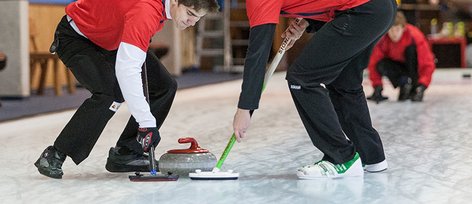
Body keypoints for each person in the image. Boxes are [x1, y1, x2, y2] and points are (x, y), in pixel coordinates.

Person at [34, 0, 219, 179]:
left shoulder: (157, 9)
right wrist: (146, 123)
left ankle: (127, 153)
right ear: (175, 2)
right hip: (78, 37)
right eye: (189, 14)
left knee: (164, 86)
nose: (192, 22)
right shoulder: (146, 11)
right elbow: (128, 70)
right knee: (110, 94)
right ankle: (55, 154)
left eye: (198, 18)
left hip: (112, 39)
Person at [232, 0, 397, 179]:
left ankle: (341, 157)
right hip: (379, 8)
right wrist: (307, 22)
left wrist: (246, 107)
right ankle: (370, 155)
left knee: (302, 78)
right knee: (345, 83)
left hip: (362, 11)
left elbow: (259, 51)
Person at [366, 11, 435, 103]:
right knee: (381, 64)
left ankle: (414, 86)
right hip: (398, 68)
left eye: (397, 29)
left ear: (404, 28)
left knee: (411, 50)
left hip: (413, 67)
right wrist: (377, 86)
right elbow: (374, 63)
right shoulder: (382, 39)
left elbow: (427, 62)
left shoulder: (414, 35)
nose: (394, 34)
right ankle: (404, 84)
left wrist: (422, 85)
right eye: (391, 30)